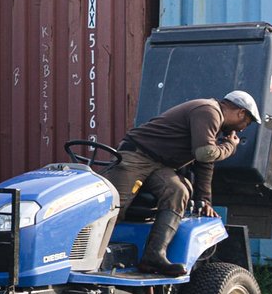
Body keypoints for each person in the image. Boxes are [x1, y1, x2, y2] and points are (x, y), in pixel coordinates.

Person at [102, 90, 260, 276]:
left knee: (177, 190)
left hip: (159, 164)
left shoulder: (214, 123)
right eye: (246, 123)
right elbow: (205, 153)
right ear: (240, 113)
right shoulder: (209, 111)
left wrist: (204, 201)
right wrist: (230, 147)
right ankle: (88, 257)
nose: (241, 129)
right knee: (114, 207)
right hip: (137, 155)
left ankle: (153, 256)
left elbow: (204, 164)